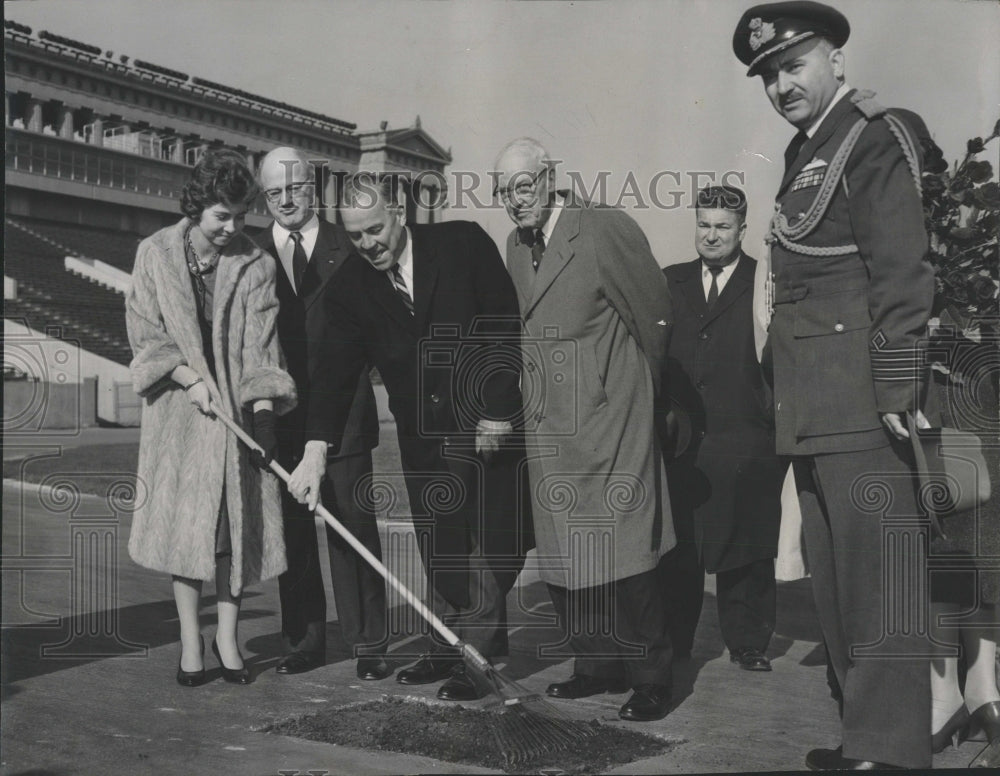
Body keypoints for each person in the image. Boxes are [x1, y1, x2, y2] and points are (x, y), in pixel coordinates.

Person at [732, 2, 935, 769]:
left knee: (879, 584)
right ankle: (862, 736)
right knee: (838, 588)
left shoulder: (871, 137)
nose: (782, 84)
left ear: (836, 61)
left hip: (860, 403)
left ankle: (890, 751)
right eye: (769, 75)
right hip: (814, 406)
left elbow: (901, 270)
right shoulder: (807, 151)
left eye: (794, 64)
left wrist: (894, 390)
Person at [290, 173, 530, 701]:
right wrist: (314, 449)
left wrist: (496, 409)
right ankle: (446, 645)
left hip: (485, 421)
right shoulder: (350, 287)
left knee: (486, 546)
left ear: (399, 210)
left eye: (375, 229)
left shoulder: (463, 242)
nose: (368, 244)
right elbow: (333, 377)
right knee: (439, 543)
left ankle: (479, 656)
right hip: (423, 434)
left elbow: (502, 324)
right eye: (355, 236)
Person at [493, 137, 676, 722]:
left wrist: (626, 392)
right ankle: (594, 665)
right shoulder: (514, 246)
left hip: (611, 417)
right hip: (548, 426)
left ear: (549, 177)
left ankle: (653, 677)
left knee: (627, 551)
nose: (514, 201)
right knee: (567, 555)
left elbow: (653, 317)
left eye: (522, 186)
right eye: (503, 192)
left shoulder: (601, 227)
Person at [125, 148, 297, 687]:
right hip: (178, 420)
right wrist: (190, 380)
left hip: (235, 422)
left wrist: (263, 418)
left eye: (241, 216)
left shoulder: (257, 265)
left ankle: (227, 638)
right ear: (197, 206)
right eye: (222, 216)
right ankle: (190, 641)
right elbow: (146, 337)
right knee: (187, 535)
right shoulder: (153, 254)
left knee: (231, 534)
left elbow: (261, 352)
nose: (232, 228)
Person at [253, 148, 389, 681]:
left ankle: (369, 642)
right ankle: (304, 640)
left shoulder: (349, 246)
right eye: (273, 192)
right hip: (282, 416)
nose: (285, 201)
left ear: (315, 187)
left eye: (295, 188)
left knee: (353, 531)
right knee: (293, 536)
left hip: (347, 415)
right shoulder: (253, 253)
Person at [661, 185, 785, 671]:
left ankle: (748, 641)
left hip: (747, 433)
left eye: (722, 227)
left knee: (748, 542)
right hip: (682, 436)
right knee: (679, 545)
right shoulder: (670, 280)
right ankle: (675, 639)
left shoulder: (764, 281)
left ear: (742, 230)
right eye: (704, 225)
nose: (711, 236)